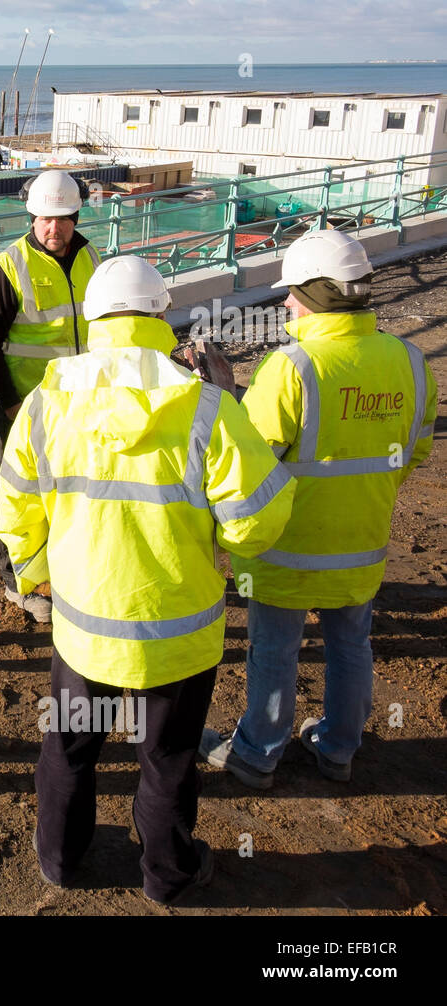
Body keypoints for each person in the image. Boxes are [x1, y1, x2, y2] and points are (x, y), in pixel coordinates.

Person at [0, 255, 296, 904]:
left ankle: (61, 861)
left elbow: (17, 508)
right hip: (177, 631)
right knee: (166, 762)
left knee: (70, 749)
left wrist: (34, 577)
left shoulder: (47, 405)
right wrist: (227, 549)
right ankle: (168, 875)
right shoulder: (206, 407)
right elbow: (257, 520)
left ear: (93, 319)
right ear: (162, 316)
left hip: (83, 628)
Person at [201, 229, 437, 788]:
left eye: (293, 292)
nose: (285, 302)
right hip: (362, 544)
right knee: (352, 644)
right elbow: (416, 449)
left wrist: (223, 396)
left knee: (274, 651)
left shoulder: (292, 367)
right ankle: (337, 749)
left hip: (287, 550)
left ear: (319, 294)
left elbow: (252, 460)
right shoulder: (408, 359)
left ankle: (258, 754)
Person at [0, 169, 99, 623]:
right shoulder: (8, 268)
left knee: (68, 492)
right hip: (23, 408)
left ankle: (61, 570)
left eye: (63, 218)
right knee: (20, 496)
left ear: (75, 216)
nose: (54, 228)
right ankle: (20, 583)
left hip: (78, 405)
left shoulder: (90, 257)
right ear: (32, 217)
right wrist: (9, 405)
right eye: (46, 219)